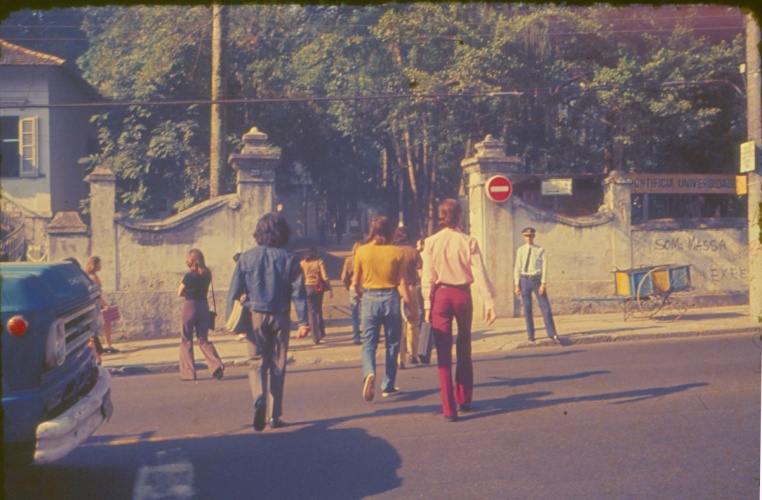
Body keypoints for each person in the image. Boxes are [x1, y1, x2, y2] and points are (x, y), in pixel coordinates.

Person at [227, 213, 310, 431]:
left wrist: (232, 321)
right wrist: (303, 321)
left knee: (256, 362)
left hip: (255, 314)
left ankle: (259, 399)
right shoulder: (290, 258)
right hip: (281, 315)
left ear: (259, 232)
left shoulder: (246, 257)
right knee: (278, 363)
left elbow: (233, 291)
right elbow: (299, 293)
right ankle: (275, 416)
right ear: (283, 233)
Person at [421, 199, 496, 422]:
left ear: (441, 217)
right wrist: (489, 302)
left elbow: (428, 277)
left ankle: (448, 409)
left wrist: (427, 305)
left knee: (443, 355)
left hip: (440, 296)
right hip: (463, 295)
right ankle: (464, 398)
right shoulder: (468, 241)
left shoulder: (431, 242)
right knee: (464, 346)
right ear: (460, 217)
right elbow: (480, 273)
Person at [352, 216, 411, 402]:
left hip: (370, 297)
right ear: (389, 230)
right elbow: (402, 281)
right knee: (393, 344)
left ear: (371, 230)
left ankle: (369, 372)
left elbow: (354, 283)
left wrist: (362, 294)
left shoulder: (361, 251)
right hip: (391, 298)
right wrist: (408, 302)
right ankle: (388, 385)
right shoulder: (397, 252)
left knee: (369, 343)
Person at [177, 248, 225, 381]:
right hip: (204, 306)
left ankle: (188, 373)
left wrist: (188, 292)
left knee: (186, 339)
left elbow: (179, 292)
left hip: (190, 307)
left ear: (190, 260)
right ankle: (216, 366)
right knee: (203, 339)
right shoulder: (207, 275)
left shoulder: (188, 276)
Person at [513, 227, 561, 344]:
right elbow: (517, 267)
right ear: (523, 237)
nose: (529, 238)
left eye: (531, 236)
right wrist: (516, 284)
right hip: (524, 280)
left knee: (545, 307)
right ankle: (531, 334)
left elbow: (544, 267)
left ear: (534, 236)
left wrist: (543, 283)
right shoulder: (521, 250)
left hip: (537, 281)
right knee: (527, 307)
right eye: (526, 236)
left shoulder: (540, 249)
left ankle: (552, 333)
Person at [393, 226, 422, 368]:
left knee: (398, 324)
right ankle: (413, 354)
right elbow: (421, 273)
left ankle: (400, 359)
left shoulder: (391, 252)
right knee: (414, 322)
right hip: (411, 288)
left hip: (395, 290)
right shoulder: (414, 252)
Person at [85, 256, 119, 354]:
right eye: (99, 264)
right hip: (97, 304)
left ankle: (105, 345)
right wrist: (105, 305)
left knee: (105, 324)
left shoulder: (91, 276)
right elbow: (97, 295)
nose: (101, 266)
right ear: (94, 265)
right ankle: (107, 345)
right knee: (106, 324)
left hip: (95, 304)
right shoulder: (93, 278)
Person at [300, 247, 333, 344]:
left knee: (311, 313)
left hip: (307, 287)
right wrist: (330, 288)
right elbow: (325, 277)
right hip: (318, 288)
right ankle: (321, 333)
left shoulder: (302, 263)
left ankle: (315, 337)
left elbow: (300, 277)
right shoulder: (319, 262)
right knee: (319, 310)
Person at [340, 240, 364, 345]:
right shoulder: (364, 259)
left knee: (354, 315)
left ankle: (356, 337)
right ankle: (363, 335)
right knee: (364, 315)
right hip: (364, 289)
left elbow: (343, 277)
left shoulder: (348, 260)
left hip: (352, 288)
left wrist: (347, 285)